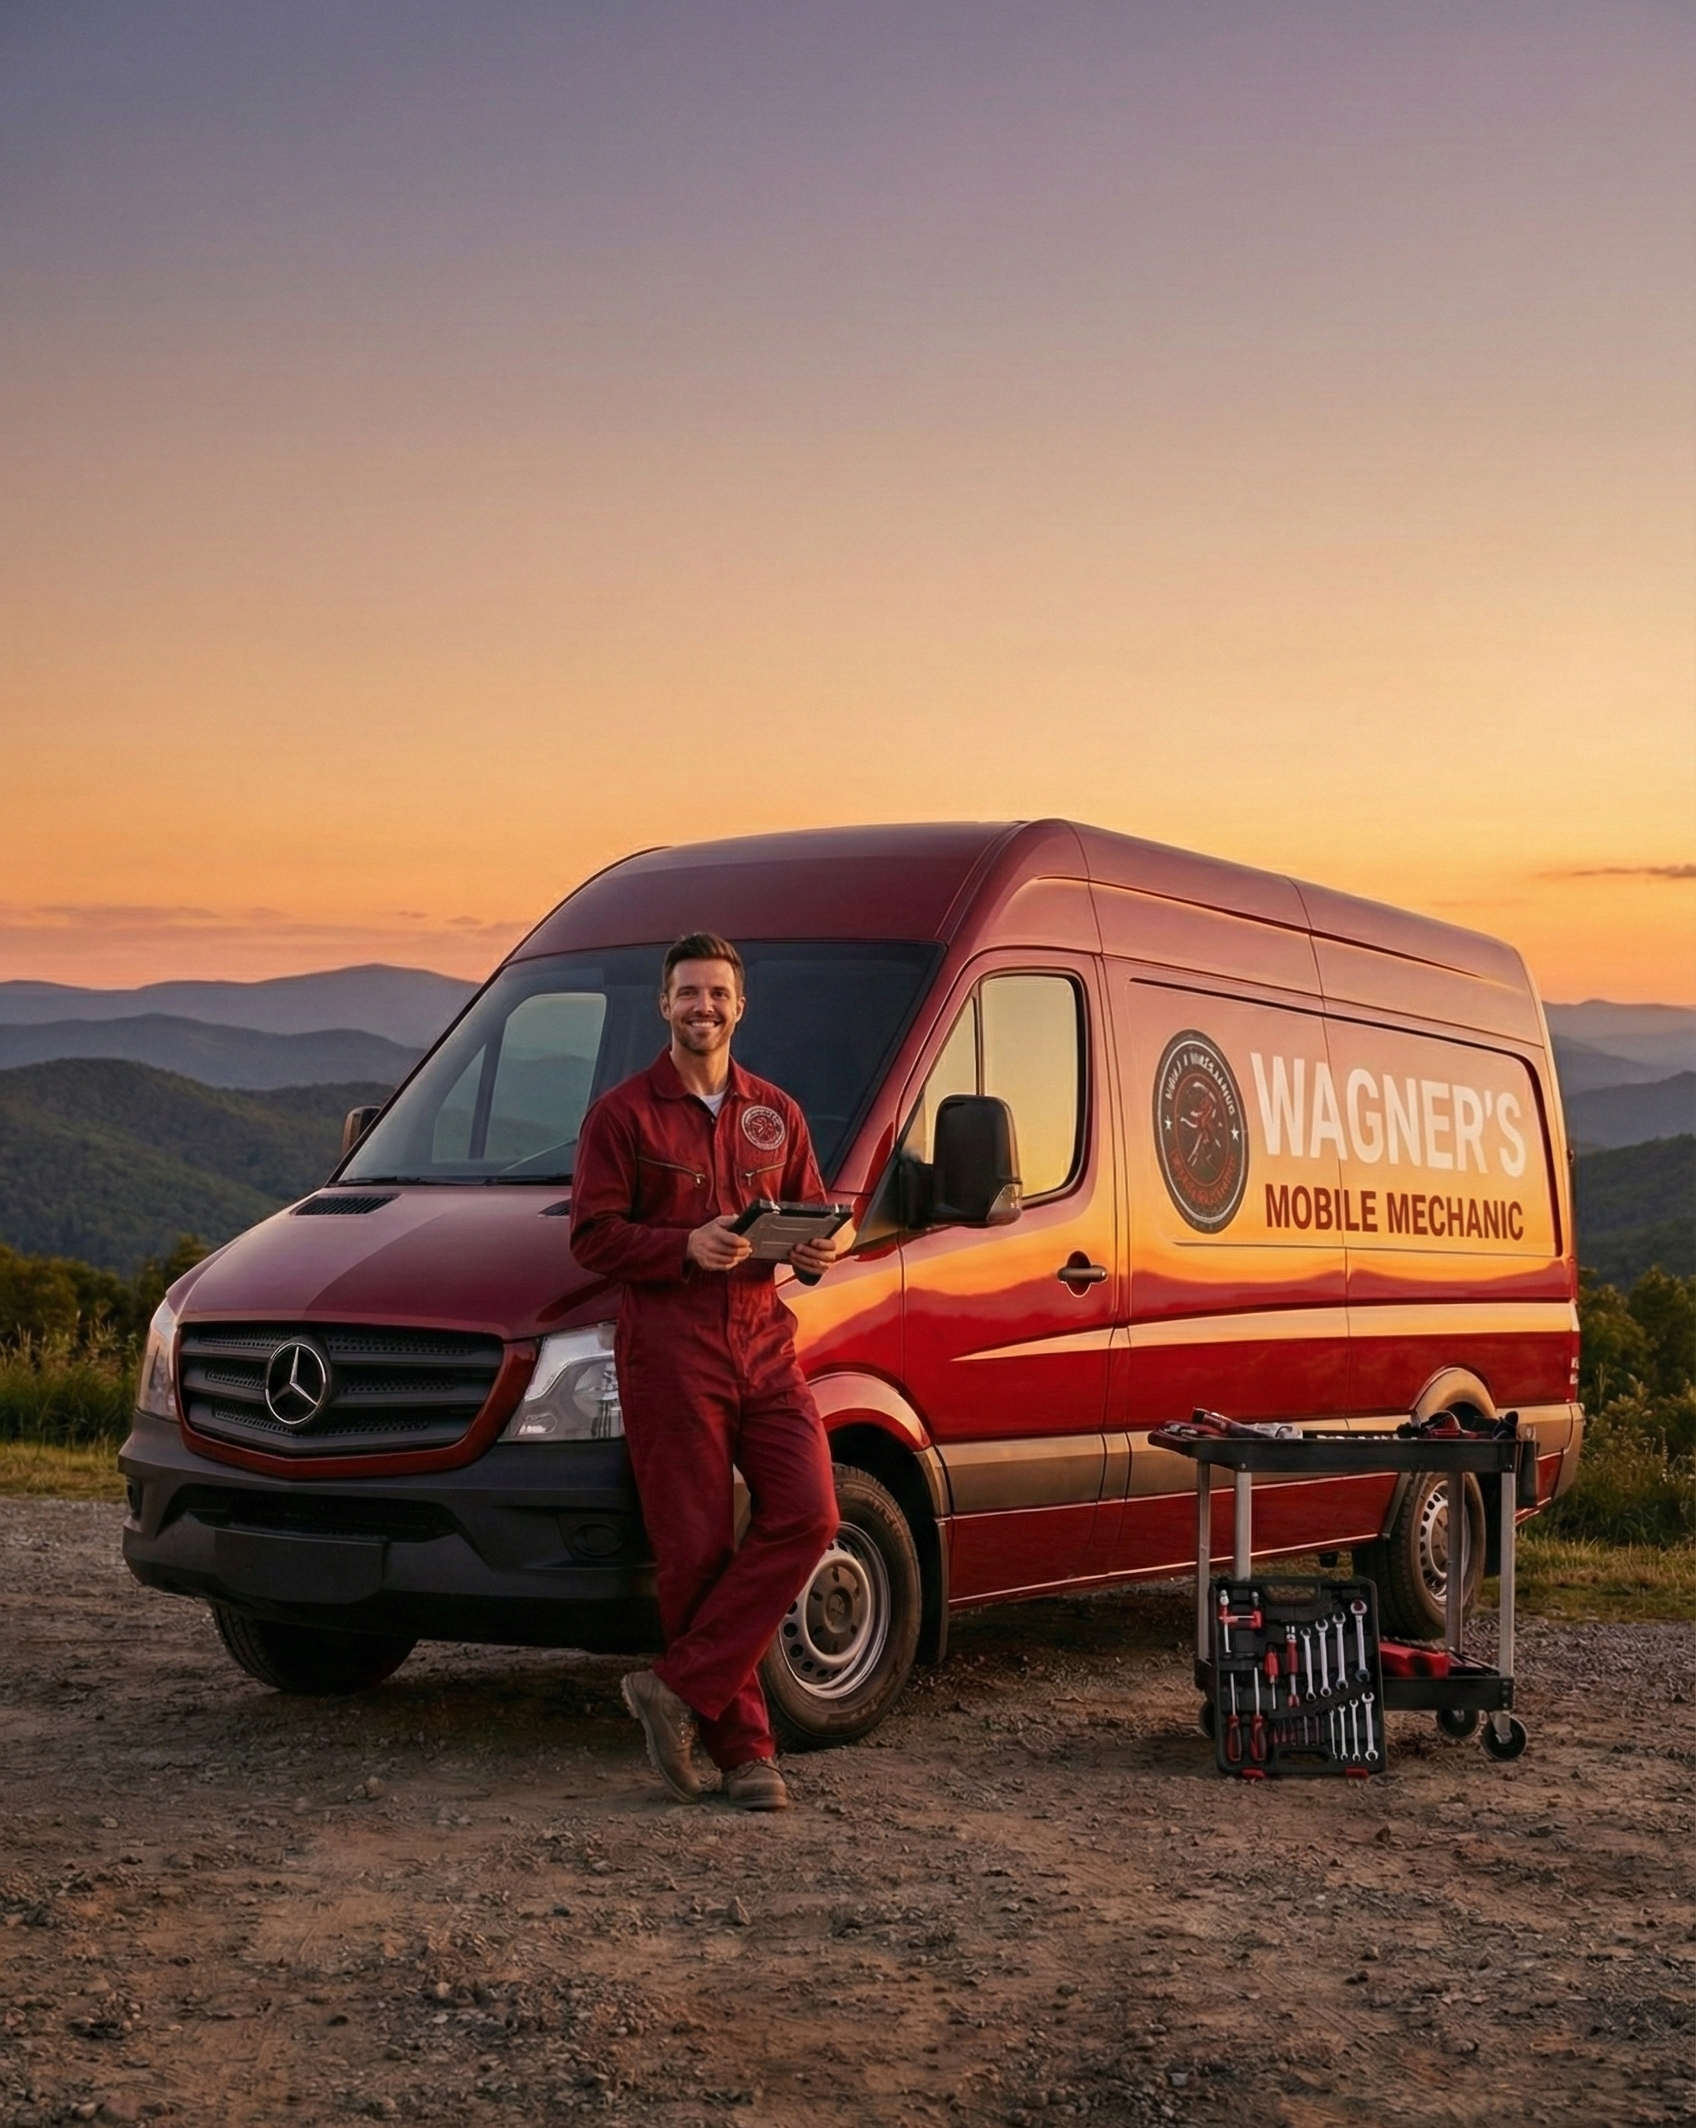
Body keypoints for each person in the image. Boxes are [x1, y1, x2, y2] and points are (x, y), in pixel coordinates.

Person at [569, 932, 849, 1811]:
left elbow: (815, 1213)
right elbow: (590, 1237)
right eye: (689, 993)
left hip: (764, 1343)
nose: (705, 1008)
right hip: (670, 1352)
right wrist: (683, 1244)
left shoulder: (776, 1112)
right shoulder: (621, 1115)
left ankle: (676, 1687)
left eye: (718, 995)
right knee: (695, 1555)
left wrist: (817, 1248)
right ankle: (747, 1757)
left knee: (810, 1514)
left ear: (740, 1005)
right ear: (665, 1004)